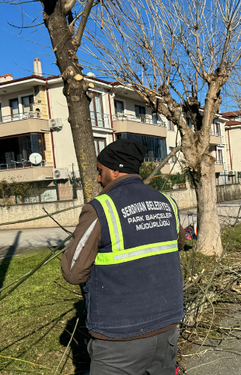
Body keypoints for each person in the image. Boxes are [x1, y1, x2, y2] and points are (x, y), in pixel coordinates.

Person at [61, 138, 185, 375]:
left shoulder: (100, 208)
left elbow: (73, 272)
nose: (98, 178)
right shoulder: (167, 203)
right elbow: (177, 243)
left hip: (120, 338)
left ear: (115, 170)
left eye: (100, 171)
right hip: (167, 327)